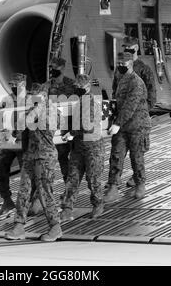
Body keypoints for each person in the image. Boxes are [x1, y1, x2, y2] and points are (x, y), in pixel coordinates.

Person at [5, 83, 62, 242]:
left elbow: (42, 126)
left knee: (45, 192)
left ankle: (55, 227)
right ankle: (19, 226)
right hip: (31, 156)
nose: (31, 99)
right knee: (24, 190)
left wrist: (38, 108)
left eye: (34, 96)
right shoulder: (32, 110)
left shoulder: (51, 111)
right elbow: (19, 128)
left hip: (45, 157)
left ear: (42, 96)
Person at [104, 53, 151, 203]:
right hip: (122, 125)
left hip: (137, 125)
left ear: (130, 64)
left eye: (123, 63)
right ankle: (113, 187)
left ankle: (140, 184)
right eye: (118, 63)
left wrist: (117, 124)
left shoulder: (136, 82)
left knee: (136, 157)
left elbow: (131, 105)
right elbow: (116, 99)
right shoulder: (119, 78)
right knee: (116, 155)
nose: (120, 66)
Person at [112, 36, 156, 188]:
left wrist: (142, 112)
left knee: (137, 154)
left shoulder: (143, 70)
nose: (126, 50)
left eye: (129, 47)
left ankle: (137, 180)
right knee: (117, 153)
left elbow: (151, 95)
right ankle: (114, 181)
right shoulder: (119, 71)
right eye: (124, 47)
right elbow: (115, 91)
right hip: (122, 120)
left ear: (136, 48)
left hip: (137, 120)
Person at [60, 74, 105, 222]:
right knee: (72, 179)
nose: (77, 90)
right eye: (76, 87)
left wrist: (72, 133)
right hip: (78, 147)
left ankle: (98, 204)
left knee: (93, 179)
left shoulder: (91, 102)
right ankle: (67, 208)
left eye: (79, 88)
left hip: (92, 148)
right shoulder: (79, 102)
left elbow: (88, 125)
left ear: (87, 87)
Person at [0, 73, 28, 216]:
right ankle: (7, 201)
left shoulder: (32, 100)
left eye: (17, 84)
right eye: (12, 85)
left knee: (27, 174)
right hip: (9, 141)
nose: (13, 87)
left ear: (23, 85)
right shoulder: (6, 100)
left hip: (25, 142)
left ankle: (28, 203)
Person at [45, 57, 76, 185]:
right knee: (62, 158)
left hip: (71, 128)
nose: (52, 70)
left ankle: (73, 184)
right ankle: (68, 186)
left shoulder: (72, 85)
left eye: (55, 68)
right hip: (57, 130)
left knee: (75, 159)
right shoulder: (46, 86)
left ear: (62, 68)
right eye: (51, 67)